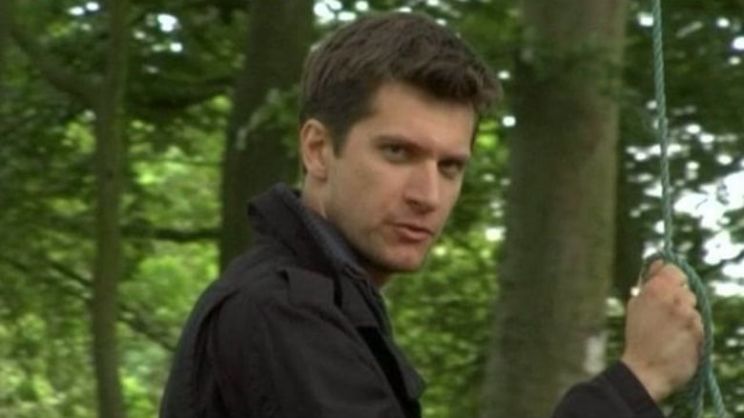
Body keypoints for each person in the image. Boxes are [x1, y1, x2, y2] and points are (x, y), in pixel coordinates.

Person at [160, 12, 703, 418]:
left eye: (450, 166)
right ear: (318, 149)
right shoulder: (280, 310)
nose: (428, 194)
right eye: (397, 152)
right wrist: (639, 380)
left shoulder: (323, 304)